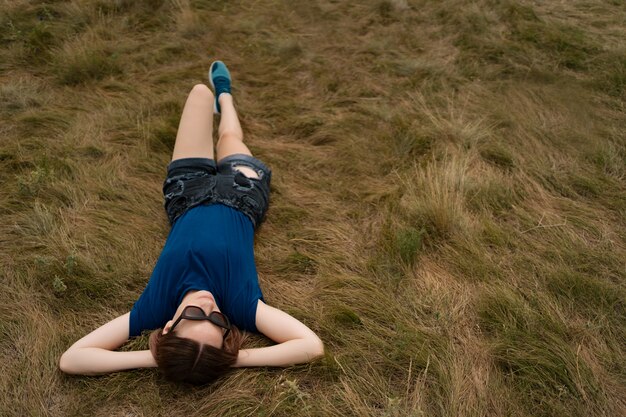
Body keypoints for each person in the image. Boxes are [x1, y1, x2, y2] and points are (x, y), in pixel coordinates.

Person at [59, 61, 324, 384]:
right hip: (242, 193)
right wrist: (230, 359)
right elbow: (311, 346)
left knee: (199, 93)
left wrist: (157, 357)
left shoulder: (155, 308)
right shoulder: (241, 305)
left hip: (187, 192)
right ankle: (225, 97)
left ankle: (215, 98)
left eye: (196, 315)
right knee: (227, 135)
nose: (209, 306)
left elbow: (71, 359)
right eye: (218, 322)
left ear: (168, 326)